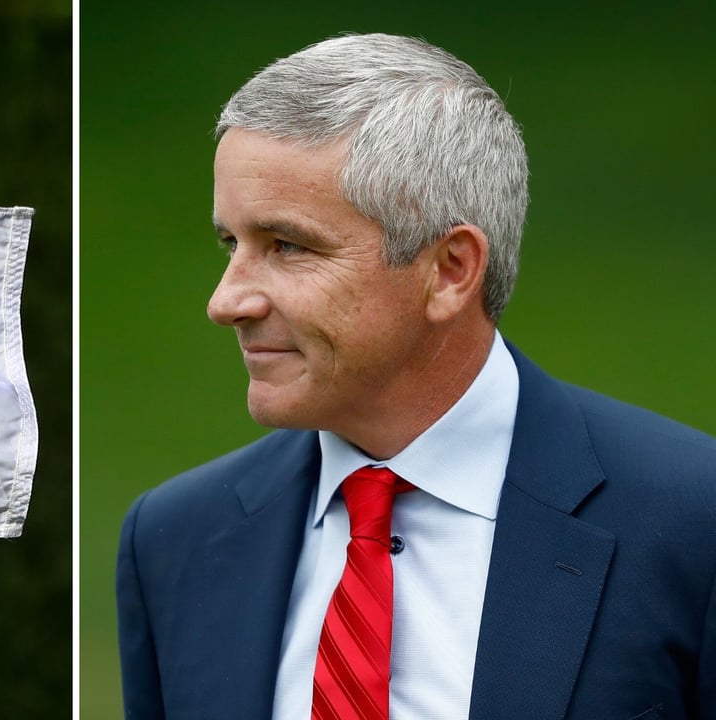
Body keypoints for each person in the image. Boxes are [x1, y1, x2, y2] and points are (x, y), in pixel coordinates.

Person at [115, 33, 716, 720]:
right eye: (232, 243)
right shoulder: (174, 539)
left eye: (287, 245)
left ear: (451, 269)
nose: (226, 302)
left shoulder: (694, 524)